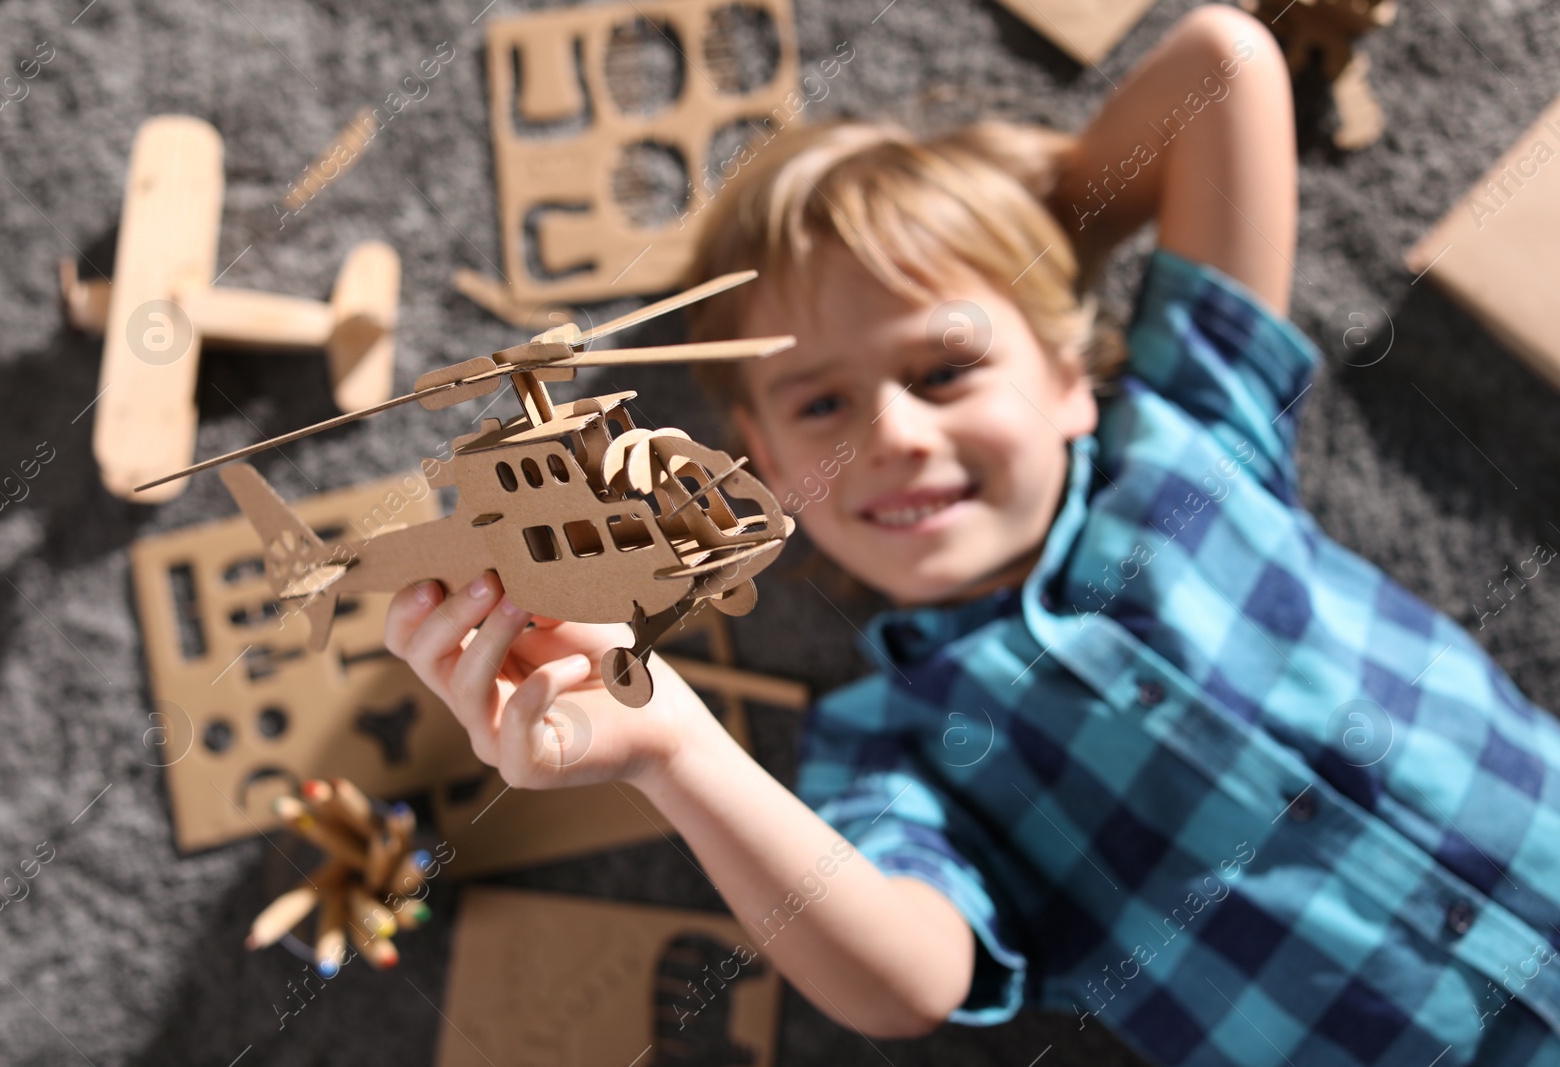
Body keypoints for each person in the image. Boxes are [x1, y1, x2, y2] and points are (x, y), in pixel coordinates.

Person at [385, 6, 1560, 1063]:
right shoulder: (888, 746)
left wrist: (1024, 231)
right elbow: (903, 982)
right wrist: (675, 754)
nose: (892, 432)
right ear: (766, 464)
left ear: (1066, 371)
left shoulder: (1189, 433)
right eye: (822, 403)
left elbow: (1228, 61)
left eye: (946, 367)